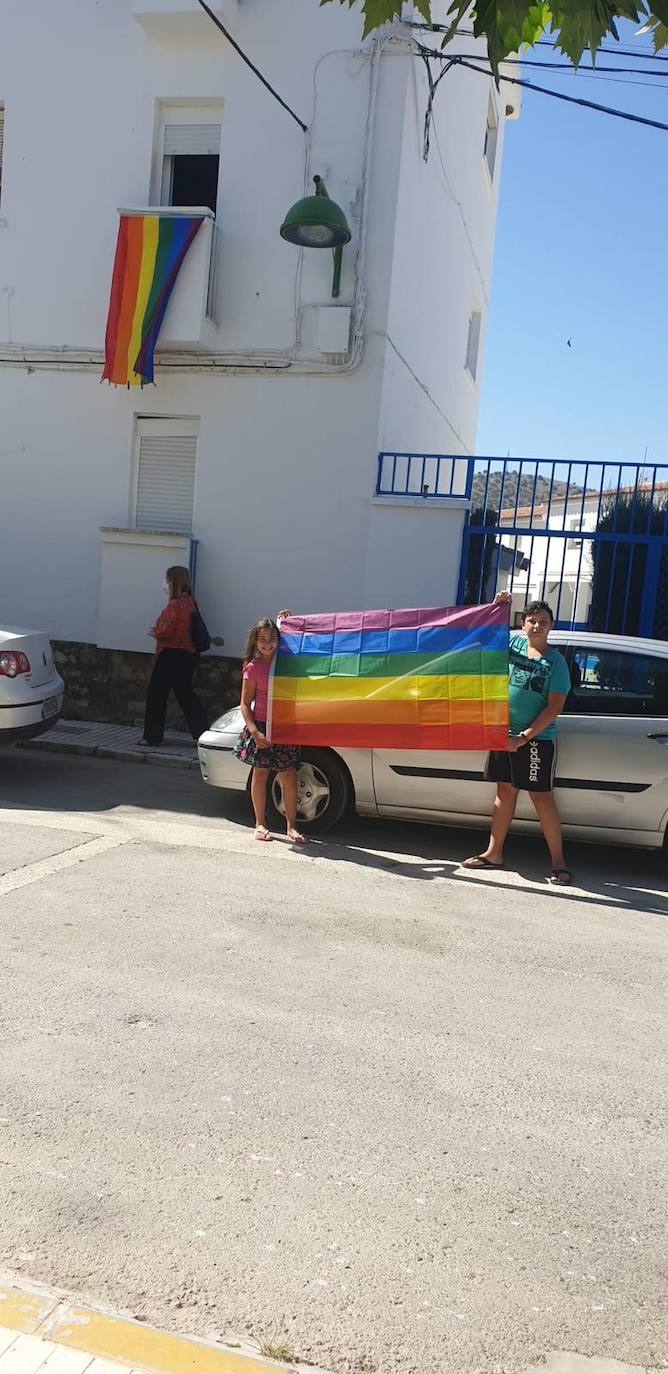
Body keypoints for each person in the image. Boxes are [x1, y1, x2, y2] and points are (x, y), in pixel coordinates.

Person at [464, 594, 573, 884]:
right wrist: (497, 606)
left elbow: (555, 706)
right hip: (503, 735)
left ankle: (559, 863)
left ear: (551, 626)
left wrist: (524, 737)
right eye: (532, 621)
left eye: (543, 622)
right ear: (523, 624)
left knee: (542, 798)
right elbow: (484, 636)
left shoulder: (556, 662)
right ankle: (493, 853)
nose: (537, 626)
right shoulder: (512, 645)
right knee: (505, 792)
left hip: (535, 740)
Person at [234, 617, 307, 845]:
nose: (268, 643)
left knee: (289, 776)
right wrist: (255, 732)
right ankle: (260, 823)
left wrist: (287, 621)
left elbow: (298, 641)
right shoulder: (253, 669)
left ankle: (292, 826)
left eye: (273, 639)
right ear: (255, 642)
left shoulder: (287, 664)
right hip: (262, 728)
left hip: (285, 727)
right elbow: (245, 704)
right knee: (261, 774)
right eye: (262, 639)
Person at [138, 565, 209, 748]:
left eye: (167, 579)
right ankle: (203, 733)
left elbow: (165, 631)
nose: (165, 583)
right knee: (186, 694)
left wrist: (155, 632)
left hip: (171, 654)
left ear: (173, 582)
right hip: (188, 654)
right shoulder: (190, 602)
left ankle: (152, 736)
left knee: (157, 695)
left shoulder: (175, 604)